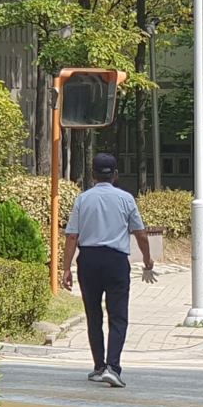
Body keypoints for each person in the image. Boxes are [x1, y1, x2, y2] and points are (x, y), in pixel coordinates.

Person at [61, 154, 156, 388]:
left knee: (94, 315)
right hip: (116, 261)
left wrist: (66, 268)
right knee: (118, 315)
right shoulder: (126, 199)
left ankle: (98, 367)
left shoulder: (82, 199)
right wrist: (147, 260)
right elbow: (141, 234)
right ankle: (113, 367)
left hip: (89, 260)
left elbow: (73, 236)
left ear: (92, 175)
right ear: (115, 175)